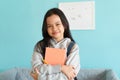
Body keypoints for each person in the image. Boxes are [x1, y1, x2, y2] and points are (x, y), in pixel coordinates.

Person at [31, 8, 80, 80]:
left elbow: (68, 76)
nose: (54, 28)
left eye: (57, 24)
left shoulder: (73, 47)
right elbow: (37, 68)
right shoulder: (40, 46)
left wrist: (40, 77)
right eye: (49, 26)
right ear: (46, 28)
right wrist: (61, 68)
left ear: (64, 25)